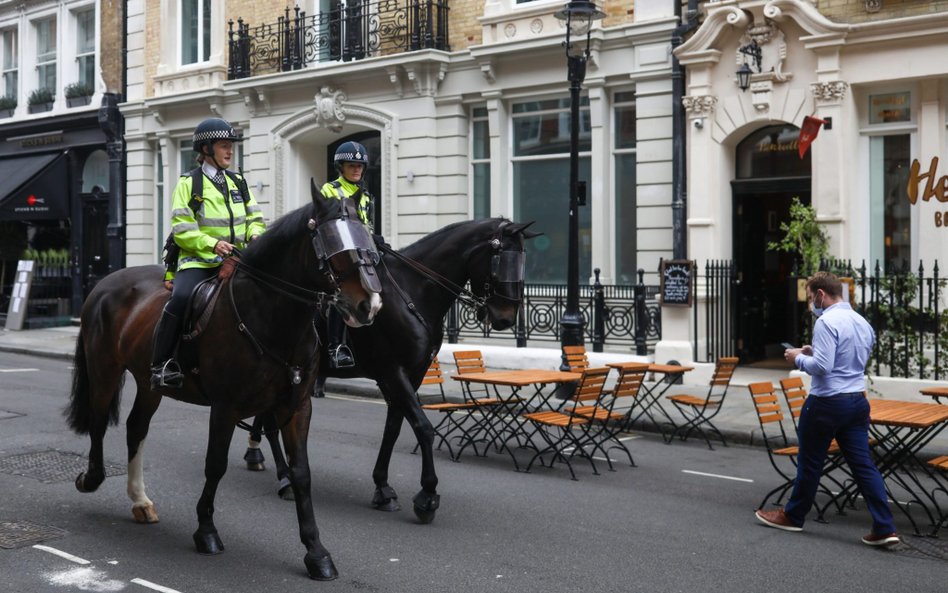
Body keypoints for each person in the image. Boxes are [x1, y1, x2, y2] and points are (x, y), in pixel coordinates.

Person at [755, 271, 900, 548]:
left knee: (810, 464)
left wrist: (797, 358)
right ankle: (884, 526)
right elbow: (848, 360)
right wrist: (814, 351)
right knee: (864, 467)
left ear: (821, 294)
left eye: (811, 298)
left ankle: (793, 515)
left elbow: (823, 367)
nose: (812, 304)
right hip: (857, 401)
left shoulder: (826, 321)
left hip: (826, 402)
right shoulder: (862, 322)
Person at [150, 118, 266, 389]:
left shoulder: (239, 181)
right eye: (224, 146)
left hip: (238, 260)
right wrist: (212, 244)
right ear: (206, 148)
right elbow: (182, 229)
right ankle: (162, 364)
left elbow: (254, 218)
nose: (230, 151)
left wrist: (256, 234)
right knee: (180, 298)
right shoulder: (189, 184)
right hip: (199, 261)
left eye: (231, 147)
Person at [318, 140, 375, 370]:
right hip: (340, 252)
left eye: (360, 166)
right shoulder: (330, 189)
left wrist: (374, 238)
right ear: (340, 167)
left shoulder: (366, 193)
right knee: (339, 295)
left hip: (363, 250)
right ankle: (336, 347)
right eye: (351, 165)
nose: (356, 169)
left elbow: (366, 224)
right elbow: (329, 224)